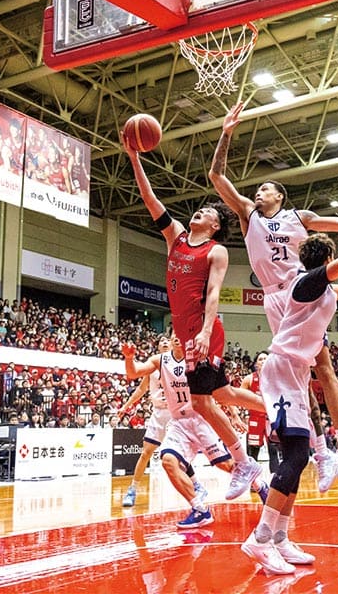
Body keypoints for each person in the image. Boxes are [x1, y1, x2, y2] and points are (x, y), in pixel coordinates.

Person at [208, 101, 338, 481]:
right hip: (273, 298)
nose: (259, 192)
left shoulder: (298, 218)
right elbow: (216, 176)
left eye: (266, 188)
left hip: (301, 288)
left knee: (322, 367)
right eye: (258, 189)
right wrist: (226, 132)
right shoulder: (246, 214)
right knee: (296, 377)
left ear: (280, 197)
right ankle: (319, 452)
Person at [125, 131, 265, 500]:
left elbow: (214, 292)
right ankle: (277, 407)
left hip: (204, 330)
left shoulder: (216, 251)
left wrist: (204, 332)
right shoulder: (176, 238)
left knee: (203, 401)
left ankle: (243, 461)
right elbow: (149, 198)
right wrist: (135, 157)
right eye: (197, 211)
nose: (197, 213)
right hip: (185, 332)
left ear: (215, 225)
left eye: (205, 213)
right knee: (220, 392)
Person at [241, 231, 338, 575]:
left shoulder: (325, 290)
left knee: (297, 459)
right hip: (282, 368)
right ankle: (260, 538)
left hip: (296, 372)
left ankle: (280, 537)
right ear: (327, 259)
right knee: (298, 454)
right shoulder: (304, 282)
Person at [122, 336, 266, 528]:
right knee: (167, 461)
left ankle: (260, 486)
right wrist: (129, 358)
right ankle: (199, 509)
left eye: (177, 335)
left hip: (201, 418)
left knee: (227, 465)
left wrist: (233, 414)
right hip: (178, 422)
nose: (175, 338)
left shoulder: (198, 360)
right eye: (172, 335)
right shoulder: (160, 360)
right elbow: (134, 373)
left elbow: (222, 391)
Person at [117, 335, 177, 507]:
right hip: (158, 413)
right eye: (161, 341)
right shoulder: (153, 367)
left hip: (175, 413)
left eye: (167, 340)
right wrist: (126, 406)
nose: (164, 342)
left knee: (174, 455)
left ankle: (195, 486)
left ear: (173, 344)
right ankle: (132, 489)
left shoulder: (180, 364)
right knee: (146, 453)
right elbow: (141, 389)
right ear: (158, 348)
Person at [240, 351, 282, 476]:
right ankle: (253, 480)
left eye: (266, 358)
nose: (263, 361)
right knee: (253, 451)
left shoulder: (277, 379)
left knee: (273, 449)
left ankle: (276, 478)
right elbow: (240, 397)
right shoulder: (249, 379)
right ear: (256, 364)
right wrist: (243, 416)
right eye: (260, 359)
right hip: (254, 418)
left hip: (271, 418)